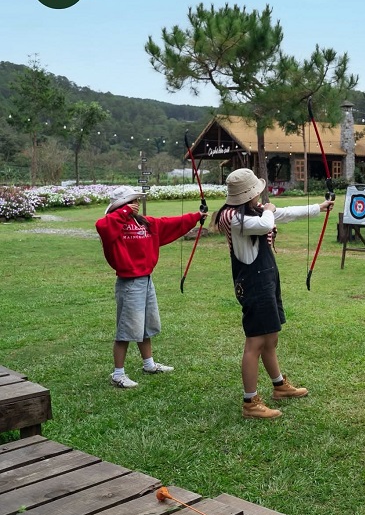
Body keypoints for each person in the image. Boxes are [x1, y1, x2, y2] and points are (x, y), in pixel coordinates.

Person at [214, 168, 334, 420]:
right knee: (255, 342)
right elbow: (266, 222)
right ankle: (250, 403)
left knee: (270, 338)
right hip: (253, 283)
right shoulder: (234, 217)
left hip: (266, 279)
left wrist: (319, 207)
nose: (260, 196)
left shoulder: (252, 211)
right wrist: (268, 211)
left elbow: (285, 214)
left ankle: (279, 386)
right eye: (256, 193)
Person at [96, 186, 206, 389]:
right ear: (121, 205)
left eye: (136, 201)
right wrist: (125, 211)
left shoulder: (143, 222)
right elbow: (103, 225)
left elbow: (169, 223)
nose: (136, 204)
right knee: (127, 329)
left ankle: (149, 364)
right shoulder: (112, 224)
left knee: (144, 326)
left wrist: (196, 216)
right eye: (132, 201)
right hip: (129, 282)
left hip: (145, 279)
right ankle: (118, 374)